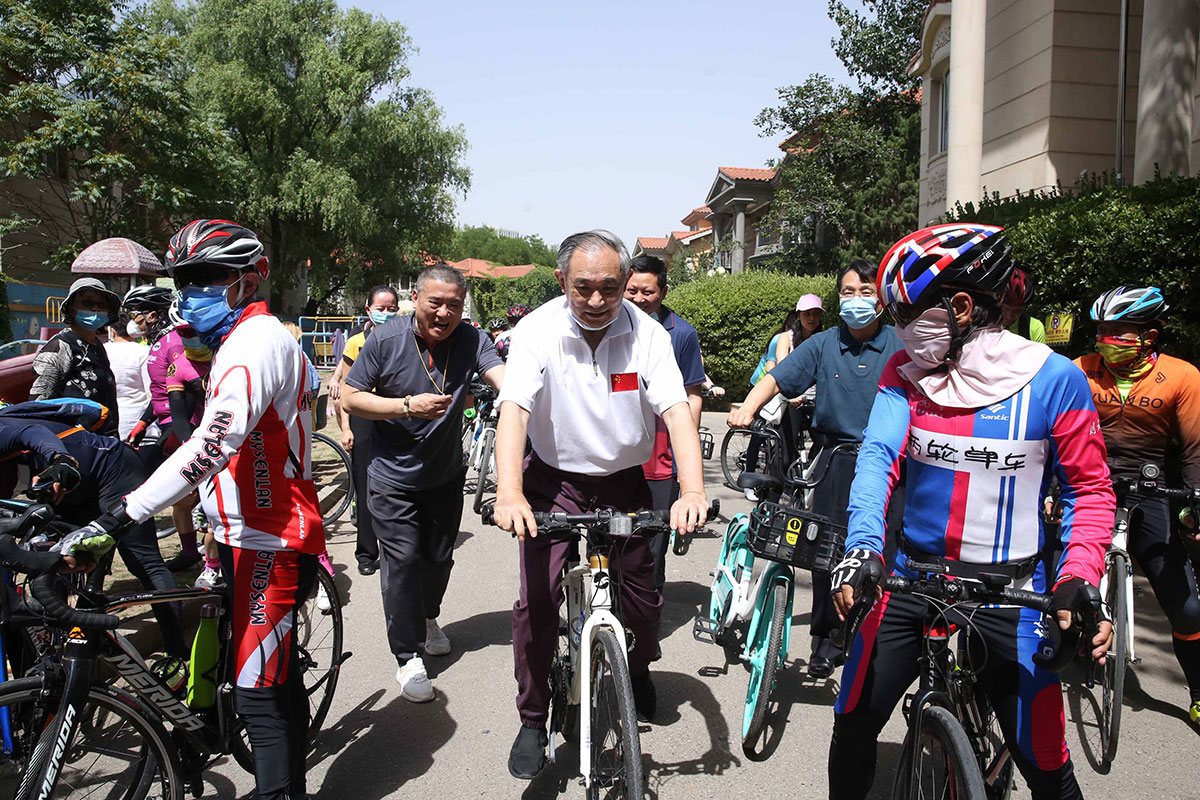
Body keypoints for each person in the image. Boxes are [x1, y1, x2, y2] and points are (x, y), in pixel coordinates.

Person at [827, 223, 1114, 800]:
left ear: (961, 306)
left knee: (1044, 761)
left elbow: (1089, 490)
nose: (897, 329)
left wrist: (1079, 575)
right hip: (913, 578)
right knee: (853, 720)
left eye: (907, 315)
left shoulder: (1055, 380)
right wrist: (862, 547)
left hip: (1013, 589)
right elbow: (879, 458)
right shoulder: (905, 375)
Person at [65, 218, 326, 800]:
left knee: (258, 693)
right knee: (266, 682)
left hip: (272, 539)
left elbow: (212, 444)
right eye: (186, 278)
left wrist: (120, 516)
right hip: (241, 531)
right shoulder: (248, 341)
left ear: (250, 280)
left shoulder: (255, 346)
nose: (193, 289)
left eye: (210, 276)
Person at [491, 230, 709, 780]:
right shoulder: (537, 330)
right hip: (551, 482)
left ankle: (636, 667)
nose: (596, 300)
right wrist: (509, 491)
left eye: (609, 289)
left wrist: (692, 490)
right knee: (536, 603)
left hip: (623, 480)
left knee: (644, 601)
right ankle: (534, 718)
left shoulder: (648, 335)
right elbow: (515, 410)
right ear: (562, 281)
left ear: (624, 285)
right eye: (583, 287)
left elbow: (677, 411)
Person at [729, 260, 903, 678]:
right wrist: (748, 408)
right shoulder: (824, 343)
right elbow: (778, 378)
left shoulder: (902, 344)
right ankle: (827, 639)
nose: (856, 299)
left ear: (882, 298)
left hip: (892, 460)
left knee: (887, 547)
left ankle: (877, 636)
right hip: (836, 458)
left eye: (865, 291)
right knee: (828, 550)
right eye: (847, 291)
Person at [341, 265, 503, 703]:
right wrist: (406, 405)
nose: (445, 312)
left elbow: (498, 374)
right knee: (404, 562)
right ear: (416, 298)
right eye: (436, 302)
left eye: (454, 304)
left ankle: (429, 618)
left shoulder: (471, 339)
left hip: (444, 475)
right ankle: (406, 654)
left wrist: (520, 395)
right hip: (391, 476)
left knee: (438, 559)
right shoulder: (387, 338)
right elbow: (350, 396)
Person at [1076, 285, 1200, 721]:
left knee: (1186, 607)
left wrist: (1193, 505)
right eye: (1104, 330)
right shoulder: (1080, 370)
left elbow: (1194, 448)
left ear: (1152, 332)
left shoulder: (1183, 377)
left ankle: (1198, 692)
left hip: (1153, 492)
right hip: (1091, 487)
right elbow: (1055, 436)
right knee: (1057, 576)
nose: (1108, 339)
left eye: (1122, 331)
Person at [0, 400, 186, 660]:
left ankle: (176, 652)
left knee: (142, 562)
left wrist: (59, 459)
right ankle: (69, 644)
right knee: (61, 559)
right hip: (69, 490)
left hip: (112, 467)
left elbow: (32, 432)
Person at [624, 254, 707, 594]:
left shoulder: (682, 334)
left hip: (660, 460)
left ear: (664, 291)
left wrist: (685, 455)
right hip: (616, 455)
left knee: (652, 543)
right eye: (631, 291)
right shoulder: (607, 324)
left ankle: (646, 611)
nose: (639, 299)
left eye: (648, 292)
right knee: (609, 534)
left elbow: (692, 394)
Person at [130, 304, 214, 573]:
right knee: (182, 501)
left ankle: (218, 562)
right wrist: (194, 451)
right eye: (184, 332)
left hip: (230, 436)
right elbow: (177, 413)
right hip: (199, 438)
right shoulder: (177, 366)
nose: (189, 336)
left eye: (194, 331)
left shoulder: (227, 355)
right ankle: (192, 553)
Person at [330, 285, 399, 576]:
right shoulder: (356, 343)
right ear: (368, 310)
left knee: (396, 487)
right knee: (366, 486)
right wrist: (346, 427)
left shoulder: (404, 338)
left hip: (397, 416)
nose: (386, 313)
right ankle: (367, 552)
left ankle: (396, 550)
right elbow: (346, 392)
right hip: (364, 419)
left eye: (391, 308)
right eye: (380, 308)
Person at [31, 277, 121, 436]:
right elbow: (39, 404)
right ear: (72, 308)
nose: (95, 309)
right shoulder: (59, 347)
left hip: (106, 442)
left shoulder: (97, 346)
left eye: (101, 305)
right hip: (76, 444)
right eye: (87, 303)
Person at [104, 311, 150, 441]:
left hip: (109, 422)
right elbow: (151, 391)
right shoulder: (144, 352)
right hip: (139, 423)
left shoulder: (102, 350)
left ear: (112, 331)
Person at [1001, 267, 1047, 343]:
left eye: (1017, 311)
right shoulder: (982, 324)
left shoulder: (1034, 328)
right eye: (1005, 309)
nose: (1009, 316)